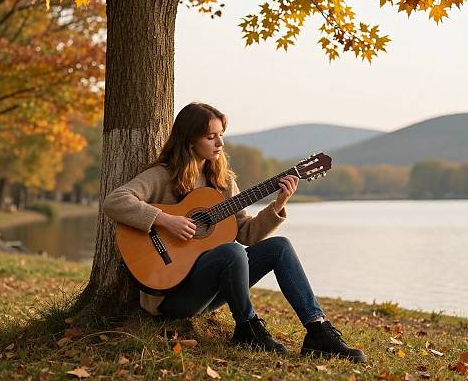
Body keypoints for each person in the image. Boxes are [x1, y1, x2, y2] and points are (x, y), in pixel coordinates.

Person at [103, 102, 366, 362]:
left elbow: (247, 234)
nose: (220, 143)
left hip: (210, 292)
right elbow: (115, 201)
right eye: (211, 137)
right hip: (171, 297)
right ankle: (247, 326)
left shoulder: (223, 181)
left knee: (280, 246)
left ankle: (318, 332)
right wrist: (164, 220)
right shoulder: (162, 175)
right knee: (231, 251)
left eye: (221, 135)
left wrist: (278, 204)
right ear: (190, 140)